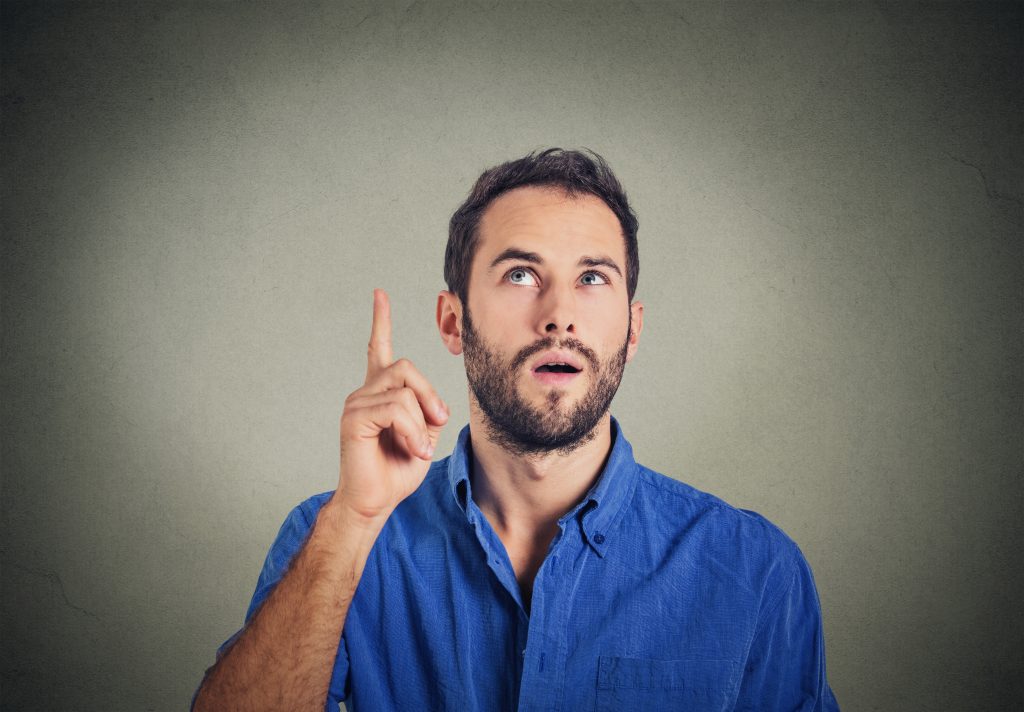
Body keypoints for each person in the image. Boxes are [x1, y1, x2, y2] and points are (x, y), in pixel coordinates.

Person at [192, 149, 839, 711]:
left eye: (592, 278)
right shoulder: (332, 540)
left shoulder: (754, 570)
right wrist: (355, 522)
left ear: (633, 329)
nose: (559, 316)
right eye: (520, 275)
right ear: (453, 323)